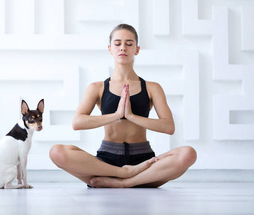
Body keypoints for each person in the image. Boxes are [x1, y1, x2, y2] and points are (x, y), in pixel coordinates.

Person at [49, 24, 197, 188]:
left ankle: (126, 182)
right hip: (107, 162)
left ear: (137, 49)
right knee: (57, 152)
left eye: (129, 43)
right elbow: (78, 123)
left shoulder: (152, 88)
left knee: (187, 154)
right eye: (117, 43)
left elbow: (169, 127)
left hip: (144, 162)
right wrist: (116, 115)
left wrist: (132, 116)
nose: (123, 48)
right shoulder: (97, 88)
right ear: (110, 49)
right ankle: (123, 174)